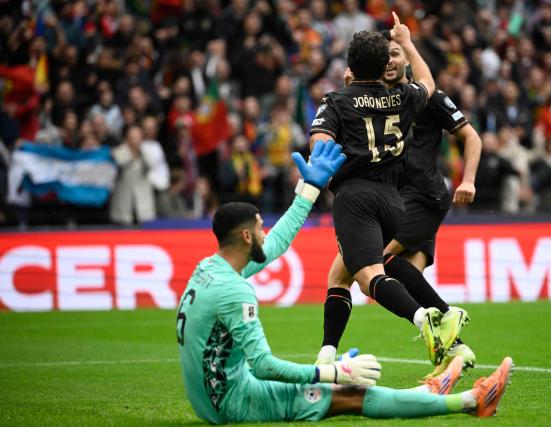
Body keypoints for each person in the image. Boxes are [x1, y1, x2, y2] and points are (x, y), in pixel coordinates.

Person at [176, 139, 513, 424]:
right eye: (262, 228)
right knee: (350, 394)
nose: (267, 234)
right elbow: (264, 367)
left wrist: (309, 189)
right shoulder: (236, 291)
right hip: (234, 403)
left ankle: (430, 391)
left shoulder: (209, 269)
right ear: (247, 236)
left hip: (210, 397)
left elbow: (277, 242)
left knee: (335, 385)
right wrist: (335, 373)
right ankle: (472, 400)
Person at [316, 35, 482, 379]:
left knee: (369, 273)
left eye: (399, 53)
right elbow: (423, 84)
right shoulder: (403, 97)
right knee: (351, 272)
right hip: (395, 198)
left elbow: (320, 147)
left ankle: (439, 319)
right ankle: (450, 346)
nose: (393, 60)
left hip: (406, 196)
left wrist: (468, 179)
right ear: (379, 66)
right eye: (387, 55)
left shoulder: (345, 100)